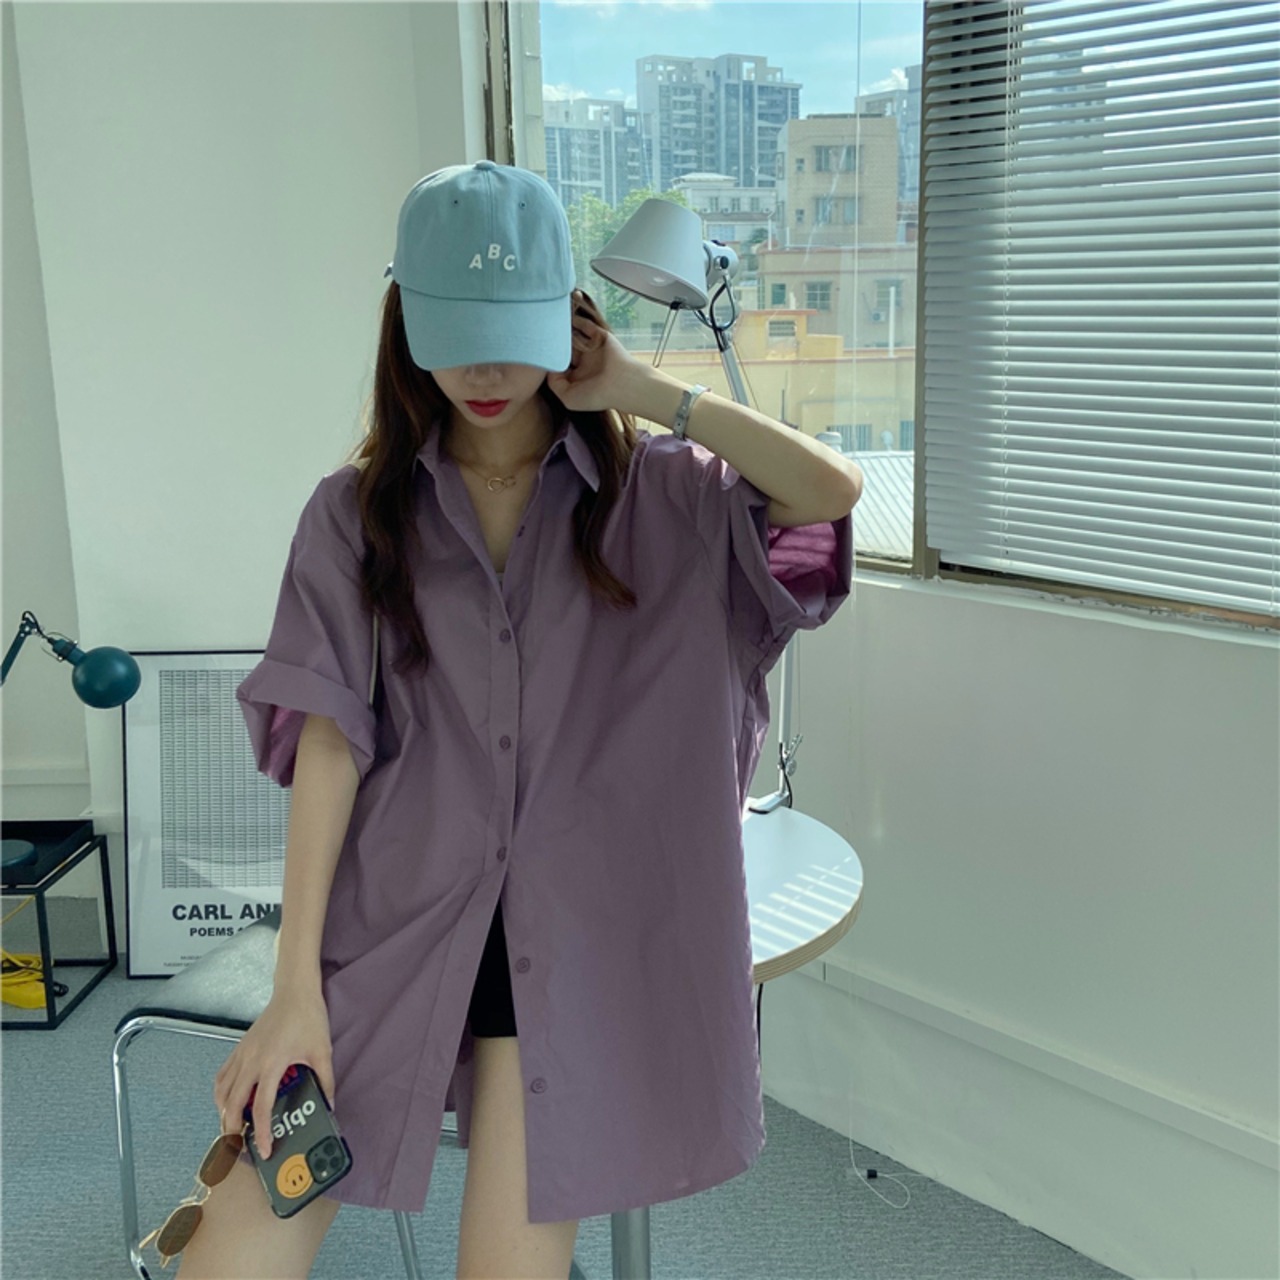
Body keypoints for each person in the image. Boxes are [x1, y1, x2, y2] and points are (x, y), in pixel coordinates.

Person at [168, 160, 860, 1280]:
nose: (484, 372)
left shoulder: (670, 500)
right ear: (407, 325)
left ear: (568, 321)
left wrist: (643, 389)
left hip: (580, 943)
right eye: (454, 336)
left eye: (511, 334)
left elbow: (828, 495)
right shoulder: (352, 517)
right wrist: (294, 990)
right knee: (227, 1260)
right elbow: (328, 741)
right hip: (396, 922)